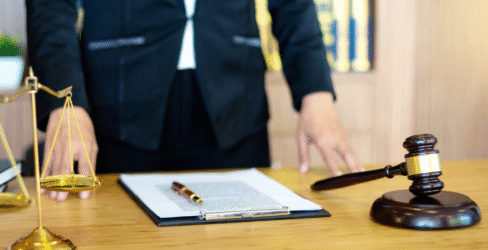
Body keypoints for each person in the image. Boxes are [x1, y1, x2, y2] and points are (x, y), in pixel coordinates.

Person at [26, 0, 364, 201]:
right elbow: (50, 6)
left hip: (235, 106)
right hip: (117, 108)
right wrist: (63, 100)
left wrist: (316, 93)